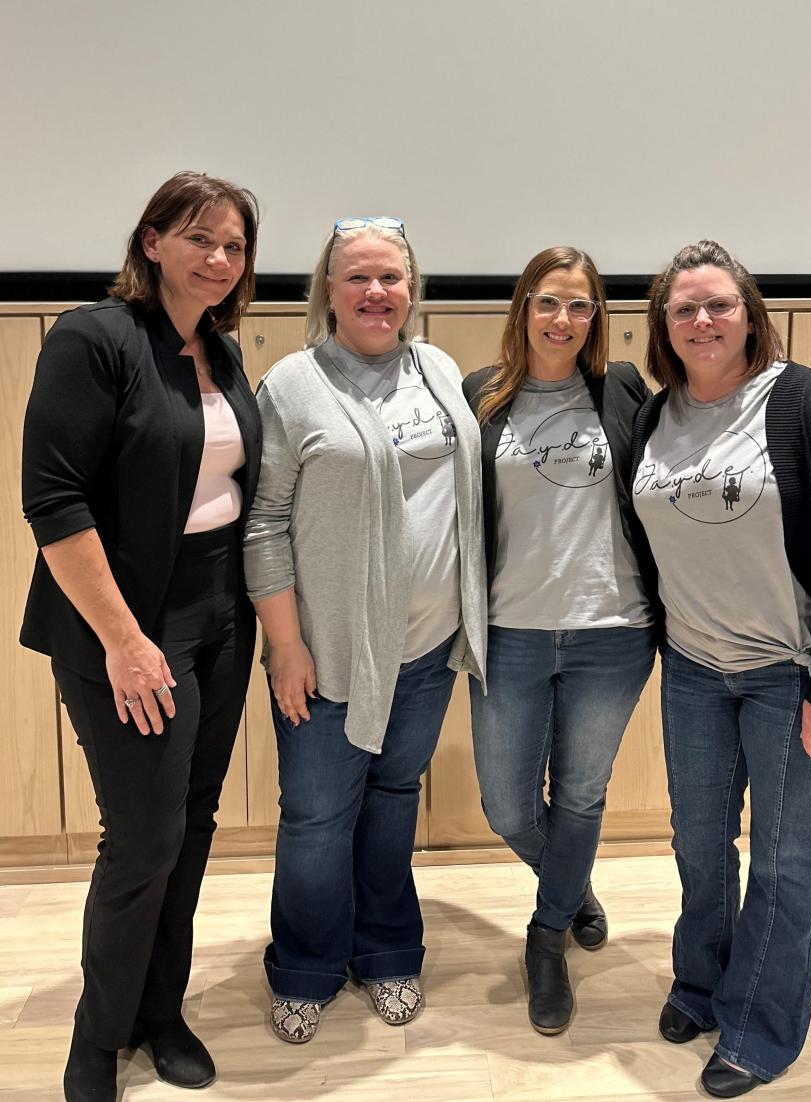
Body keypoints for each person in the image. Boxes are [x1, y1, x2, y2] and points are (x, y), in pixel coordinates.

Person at [20, 171, 262, 1102]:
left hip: (218, 617)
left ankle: (161, 1013)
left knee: (191, 828)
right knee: (145, 835)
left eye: (235, 245)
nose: (219, 258)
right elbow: (53, 500)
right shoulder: (94, 338)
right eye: (200, 237)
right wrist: (125, 641)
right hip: (124, 623)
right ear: (151, 241)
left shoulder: (222, 352)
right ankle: (98, 1036)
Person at [630, 240, 811, 1097]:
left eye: (719, 305)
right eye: (683, 309)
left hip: (793, 675)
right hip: (697, 672)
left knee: (782, 859)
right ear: (664, 325)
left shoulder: (805, 401)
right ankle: (701, 986)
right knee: (699, 845)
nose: (702, 321)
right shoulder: (653, 415)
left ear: (750, 314)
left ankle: (760, 1029)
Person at [244, 216, 486, 1043]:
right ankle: (307, 965)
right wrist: (285, 645)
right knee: (316, 817)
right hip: (331, 655)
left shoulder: (441, 368)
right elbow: (263, 522)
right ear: (329, 291)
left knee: (391, 802)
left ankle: (386, 950)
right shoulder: (293, 383)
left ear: (412, 289)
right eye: (358, 279)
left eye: (391, 278)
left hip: (427, 649)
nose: (376, 293)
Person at [462, 246, 656, 1035]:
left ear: (597, 316)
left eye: (580, 306)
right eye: (548, 302)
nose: (563, 320)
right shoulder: (481, 396)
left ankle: (546, 941)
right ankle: (570, 888)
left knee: (580, 793)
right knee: (507, 806)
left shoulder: (623, 389)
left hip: (612, 631)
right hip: (510, 630)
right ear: (522, 308)